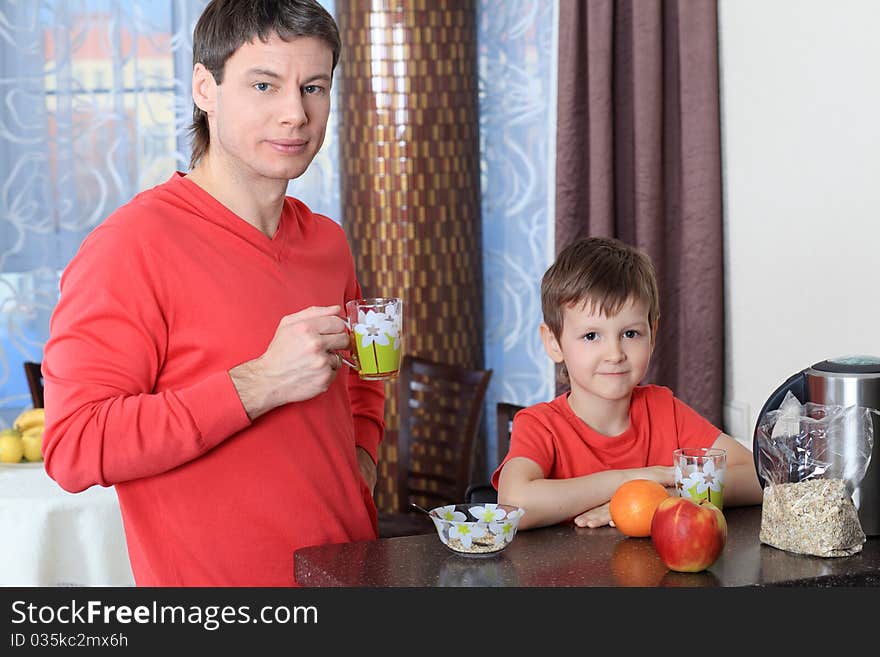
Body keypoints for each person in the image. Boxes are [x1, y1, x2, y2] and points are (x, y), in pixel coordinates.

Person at [41, 0, 385, 586]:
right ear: (206, 87)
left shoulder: (328, 242)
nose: (295, 114)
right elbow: (74, 446)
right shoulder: (130, 246)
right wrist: (259, 383)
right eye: (264, 85)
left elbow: (360, 377)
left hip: (351, 576)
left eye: (314, 87)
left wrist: (361, 465)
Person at [493, 236, 763, 530]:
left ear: (652, 332)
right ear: (553, 342)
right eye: (591, 336)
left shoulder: (664, 410)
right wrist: (630, 479)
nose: (615, 354)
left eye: (631, 334)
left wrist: (653, 498)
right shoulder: (539, 425)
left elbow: (758, 476)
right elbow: (512, 505)